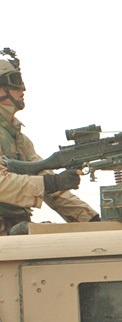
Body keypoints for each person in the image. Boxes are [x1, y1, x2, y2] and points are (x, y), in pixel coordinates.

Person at [0, 47, 98, 234]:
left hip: (14, 230)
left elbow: (48, 181)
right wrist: (50, 183)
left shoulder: (20, 139)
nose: (23, 88)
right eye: (14, 82)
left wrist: (91, 218)